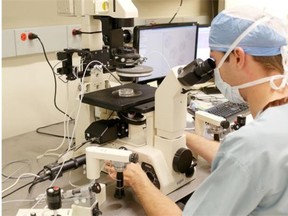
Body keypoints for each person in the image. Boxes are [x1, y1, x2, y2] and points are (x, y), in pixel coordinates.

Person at [107, 5, 288, 215]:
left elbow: (243, 157)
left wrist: (138, 180)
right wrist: (184, 137)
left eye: (215, 60)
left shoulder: (250, 146)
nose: (214, 69)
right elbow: (244, 161)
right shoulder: (267, 133)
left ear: (238, 57)